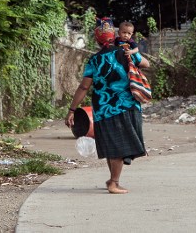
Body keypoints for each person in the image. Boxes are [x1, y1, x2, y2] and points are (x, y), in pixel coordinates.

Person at [64, 17, 150, 194]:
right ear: (115, 35)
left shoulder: (94, 60)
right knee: (120, 145)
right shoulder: (125, 53)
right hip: (125, 105)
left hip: (102, 108)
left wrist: (72, 109)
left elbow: (84, 87)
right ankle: (113, 183)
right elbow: (145, 64)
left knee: (112, 143)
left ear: (97, 38)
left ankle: (113, 180)